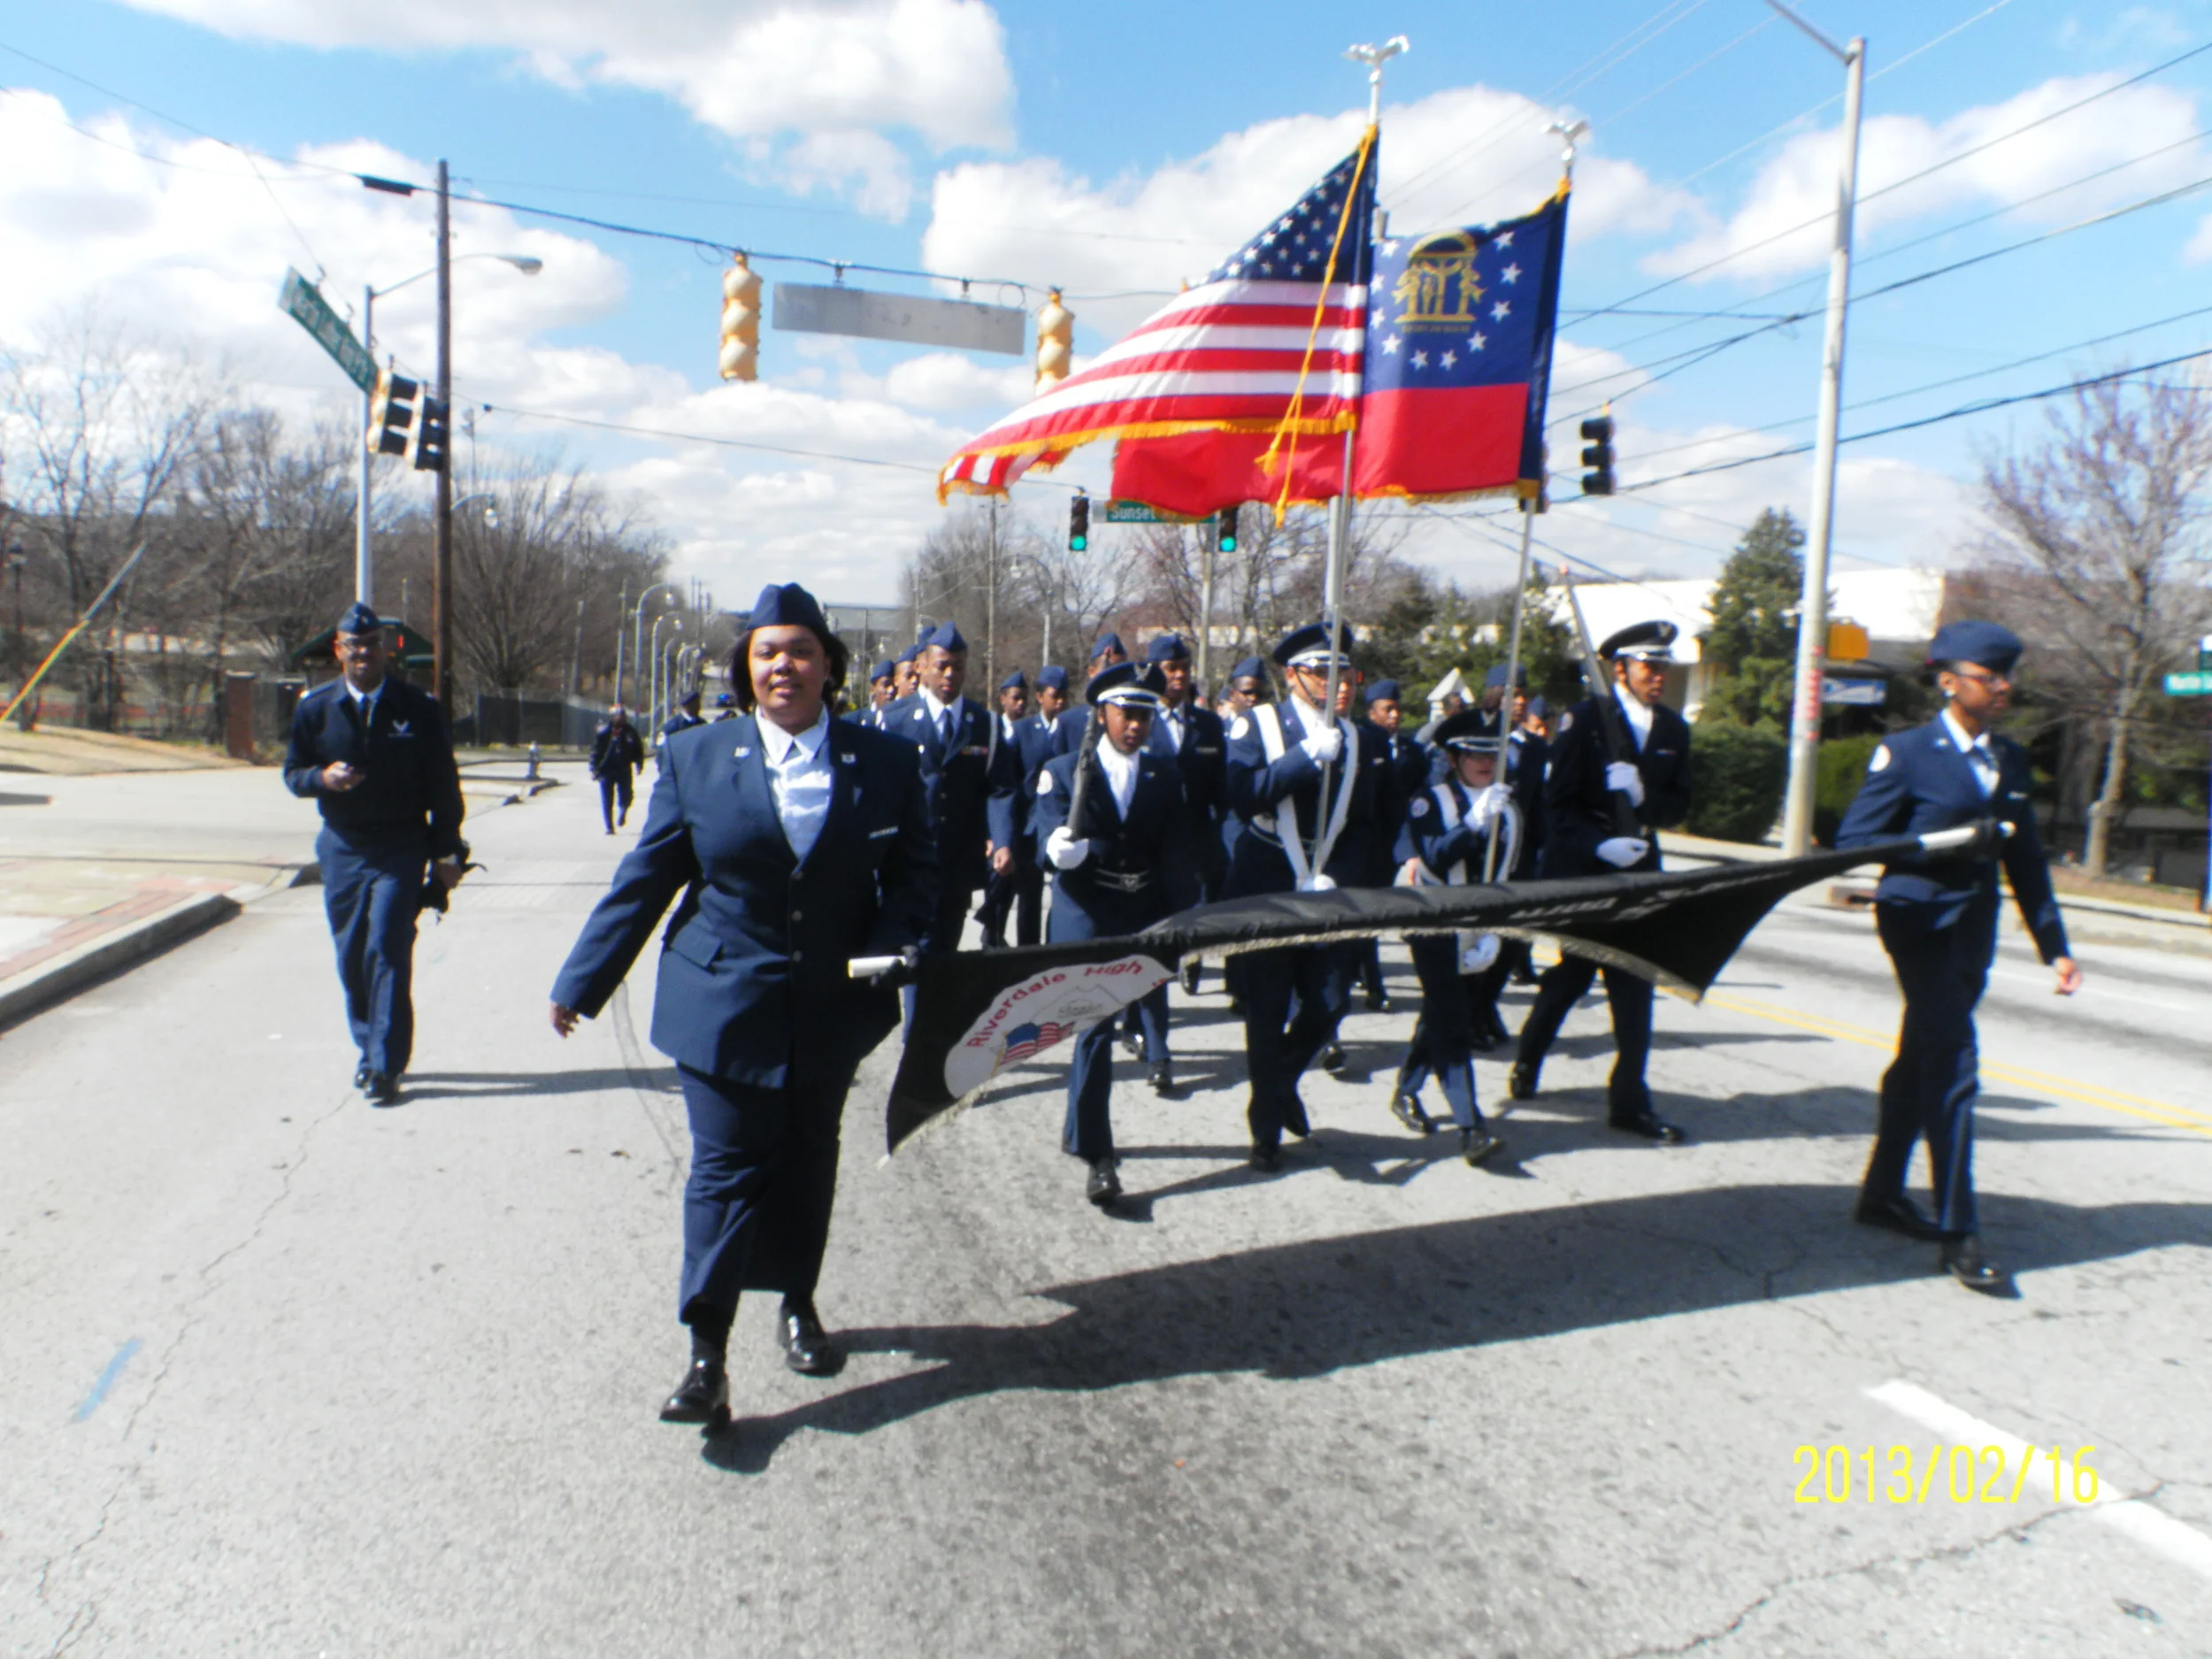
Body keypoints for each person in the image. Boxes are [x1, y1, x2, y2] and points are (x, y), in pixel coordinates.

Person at [549, 583, 938, 1425]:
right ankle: (706, 1354)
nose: (783, 666)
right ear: (745, 668)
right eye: (767, 652)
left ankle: (798, 1301)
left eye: (800, 650)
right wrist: (584, 979)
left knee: (806, 1162)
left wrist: (900, 936)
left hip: (833, 1004)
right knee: (724, 1173)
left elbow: (916, 872)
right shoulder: (696, 757)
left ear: (829, 664)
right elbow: (647, 878)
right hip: (721, 999)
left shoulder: (885, 762)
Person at [1836, 620, 2081, 1292]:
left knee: (1920, 1056)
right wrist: (1949, 840)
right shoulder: (1908, 752)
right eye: (1989, 675)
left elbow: (2025, 860)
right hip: (1917, 920)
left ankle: (1882, 1194)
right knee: (1954, 1063)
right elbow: (1856, 839)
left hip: (1973, 929)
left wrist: (2054, 946)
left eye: (2007, 676)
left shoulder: (2011, 759)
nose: (2003, 687)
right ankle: (1958, 1230)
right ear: (1949, 679)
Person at [1223, 621, 1406, 1170]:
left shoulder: (1362, 738)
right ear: (1292, 676)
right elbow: (1242, 795)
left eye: (1346, 671)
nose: (1341, 683)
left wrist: (1341, 876)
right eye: (1324, 672)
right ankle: (1265, 1130)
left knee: (1329, 1001)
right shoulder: (1256, 724)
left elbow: (1368, 823)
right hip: (1267, 880)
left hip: (1328, 883)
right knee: (1268, 1004)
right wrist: (1303, 758)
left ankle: (1274, 1085)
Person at [1509, 620, 1693, 1141]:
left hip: (1639, 874)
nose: (1658, 676)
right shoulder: (1584, 721)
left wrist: (1642, 799)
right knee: (1572, 979)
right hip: (1589, 874)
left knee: (1634, 984)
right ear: (1620, 669)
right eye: (1648, 667)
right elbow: (1556, 804)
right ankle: (1528, 1058)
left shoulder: (1674, 730)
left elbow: (1678, 805)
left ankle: (1629, 1102)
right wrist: (1597, 844)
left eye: (1663, 667)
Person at [282, 601, 466, 1105]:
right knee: (352, 955)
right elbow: (293, 774)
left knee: (387, 945)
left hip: (401, 847)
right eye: (353, 647)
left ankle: (384, 1066)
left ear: (384, 650)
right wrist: (322, 778)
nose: (362, 654)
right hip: (343, 848)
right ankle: (368, 1047)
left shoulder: (418, 709)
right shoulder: (314, 709)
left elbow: (443, 786)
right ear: (339, 651)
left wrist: (447, 853)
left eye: (370, 646)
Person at [1033, 663, 1198, 1204]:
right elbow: (1045, 829)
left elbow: (1176, 854)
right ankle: (1099, 1156)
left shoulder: (1164, 774)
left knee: (1102, 1029)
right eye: (1126, 712)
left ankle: (1080, 1131)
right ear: (1100, 713)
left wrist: (1182, 922)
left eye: (1145, 715)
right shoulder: (1064, 769)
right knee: (1095, 1030)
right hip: (1087, 910)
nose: (1135, 725)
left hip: (1141, 910)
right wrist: (1055, 852)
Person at [1388, 708, 1516, 1165]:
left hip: (1480, 927)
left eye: (1493, 754)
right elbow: (1436, 857)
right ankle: (1470, 1124)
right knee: (1455, 1023)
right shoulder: (1430, 800)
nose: (1486, 763)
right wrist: (1473, 824)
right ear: (1453, 756)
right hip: (1434, 924)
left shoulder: (1505, 803)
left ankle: (1405, 1089)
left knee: (1442, 1014)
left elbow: (1510, 870)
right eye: (1475, 754)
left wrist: (1497, 931)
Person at [886, 620, 1002, 961]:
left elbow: (999, 787)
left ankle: (931, 1013)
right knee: (914, 951)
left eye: (958, 667)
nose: (950, 674)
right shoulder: (895, 720)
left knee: (945, 950)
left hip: (957, 862)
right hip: (908, 859)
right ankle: (916, 1015)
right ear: (922, 668)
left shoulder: (984, 724)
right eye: (942, 666)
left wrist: (1002, 839)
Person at [1463, 663, 1547, 1039]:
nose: (1520, 702)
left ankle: (1486, 1006)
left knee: (1512, 942)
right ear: (1494, 695)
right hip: (1478, 858)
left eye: (1524, 695)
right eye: (1513, 694)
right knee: (1479, 940)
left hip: (1519, 858)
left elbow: (1540, 807)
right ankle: (1469, 1012)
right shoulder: (1469, 737)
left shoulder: (1533, 749)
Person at [1146, 633, 1229, 1003]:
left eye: (1183, 669)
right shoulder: (1139, 719)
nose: (1178, 677)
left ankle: (1191, 960)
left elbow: (1221, 788)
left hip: (1196, 841)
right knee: (1153, 926)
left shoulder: (1208, 724)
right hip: (1151, 843)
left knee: (1193, 916)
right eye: (1170, 669)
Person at [1351, 679, 1425, 1012]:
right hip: (1358, 843)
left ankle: (1365, 975)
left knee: (1372, 917)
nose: (1394, 715)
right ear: (1371, 711)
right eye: (1387, 709)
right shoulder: (1359, 740)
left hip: (1390, 845)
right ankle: (1374, 984)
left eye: (1398, 709)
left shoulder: (1413, 751)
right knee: (1363, 917)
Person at [977, 669, 1043, 949]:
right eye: (1015, 698)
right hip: (997, 828)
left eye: (1024, 699)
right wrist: (989, 834)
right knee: (998, 888)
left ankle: (999, 939)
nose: (1020, 704)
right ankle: (991, 935)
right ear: (1002, 699)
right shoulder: (990, 730)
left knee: (1016, 888)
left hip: (1022, 825)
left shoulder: (1028, 732)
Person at [1050, 633, 1130, 755]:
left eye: (1121, 672)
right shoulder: (1068, 723)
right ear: (1091, 672)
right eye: (1108, 670)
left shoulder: (1135, 721)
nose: (1115, 678)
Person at [588, 703, 647, 833]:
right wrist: (594, 768)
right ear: (612, 717)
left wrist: (639, 764)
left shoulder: (630, 732)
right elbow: (596, 751)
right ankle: (609, 826)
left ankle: (623, 811)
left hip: (624, 768)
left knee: (626, 795)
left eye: (623, 715)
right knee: (607, 799)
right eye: (618, 715)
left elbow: (638, 749)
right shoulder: (604, 732)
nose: (621, 718)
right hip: (607, 770)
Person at [656, 687, 705, 771]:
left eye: (699, 704)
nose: (699, 707)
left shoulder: (703, 725)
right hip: (678, 770)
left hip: (697, 771)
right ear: (686, 706)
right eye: (695, 704)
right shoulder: (671, 727)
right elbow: (662, 750)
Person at [857, 659, 896, 726]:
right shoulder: (857, 719)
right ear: (872, 689)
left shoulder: (902, 720)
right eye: (886, 685)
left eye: (895, 686)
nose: (892, 690)